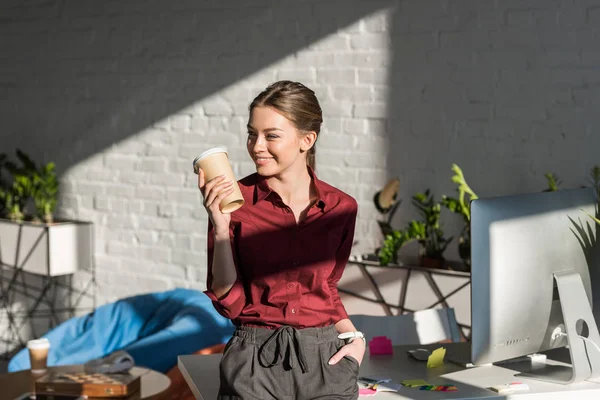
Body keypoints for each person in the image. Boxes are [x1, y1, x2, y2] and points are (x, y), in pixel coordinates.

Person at [198, 80, 364, 400]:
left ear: (307, 140)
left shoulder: (342, 208)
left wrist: (355, 339)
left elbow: (326, 287)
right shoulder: (234, 203)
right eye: (252, 134)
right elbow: (228, 302)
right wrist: (220, 227)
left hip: (325, 360)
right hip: (254, 361)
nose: (256, 146)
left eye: (271, 135)